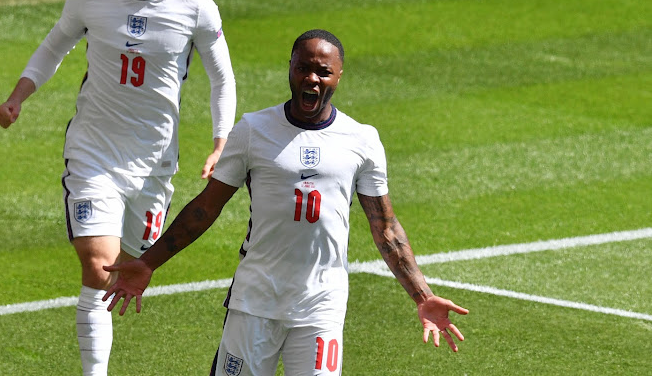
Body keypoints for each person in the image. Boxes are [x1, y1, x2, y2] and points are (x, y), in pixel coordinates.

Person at [102, 29, 468, 375]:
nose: (312, 78)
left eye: (323, 72)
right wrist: (149, 262)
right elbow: (205, 207)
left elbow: (385, 228)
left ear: (338, 77)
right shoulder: (252, 130)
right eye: (303, 68)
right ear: (290, 69)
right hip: (254, 301)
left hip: (321, 305)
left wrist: (422, 296)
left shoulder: (362, 140)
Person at [0, 0, 236, 376]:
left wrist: (219, 143)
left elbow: (222, 77)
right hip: (94, 154)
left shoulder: (196, 5)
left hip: (154, 164)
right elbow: (54, 46)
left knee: (128, 269)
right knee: (98, 268)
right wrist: (19, 95)